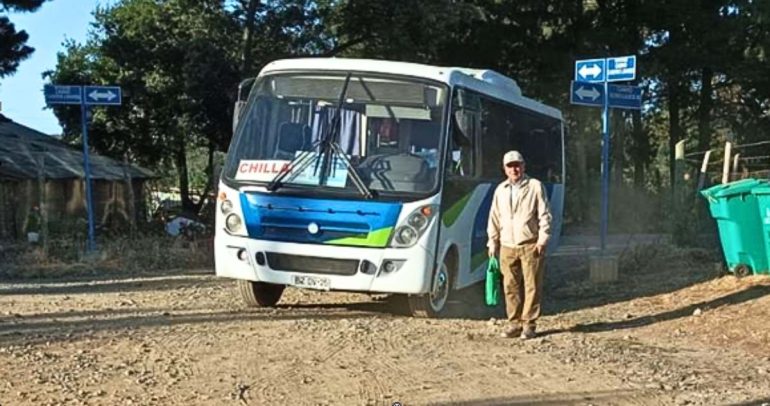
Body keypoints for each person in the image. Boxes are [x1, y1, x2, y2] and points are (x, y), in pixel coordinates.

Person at [487, 150, 552, 339]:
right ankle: (514, 323)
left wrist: (542, 239)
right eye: (510, 166)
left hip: (530, 244)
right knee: (510, 286)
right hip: (507, 245)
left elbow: (545, 214)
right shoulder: (501, 190)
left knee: (532, 285)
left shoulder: (535, 186)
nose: (514, 169)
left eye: (517, 165)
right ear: (505, 169)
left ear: (523, 166)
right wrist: (492, 242)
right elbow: (494, 217)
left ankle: (529, 324)